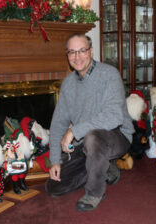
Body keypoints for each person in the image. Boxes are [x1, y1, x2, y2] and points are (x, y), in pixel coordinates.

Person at [45, 34, 134, 212]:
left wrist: (73, 132)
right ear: (67, 55)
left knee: (93, 137)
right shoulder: (68, 83)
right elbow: (58, 123)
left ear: (91, 51)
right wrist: (55, 160)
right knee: (54, 187)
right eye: (72, 52)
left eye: (82, 51)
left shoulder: (109, 74)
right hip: (83, 142)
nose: (77, 57)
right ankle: (105, 168)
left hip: (115, 136)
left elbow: (113, 117)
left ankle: (94, 192)